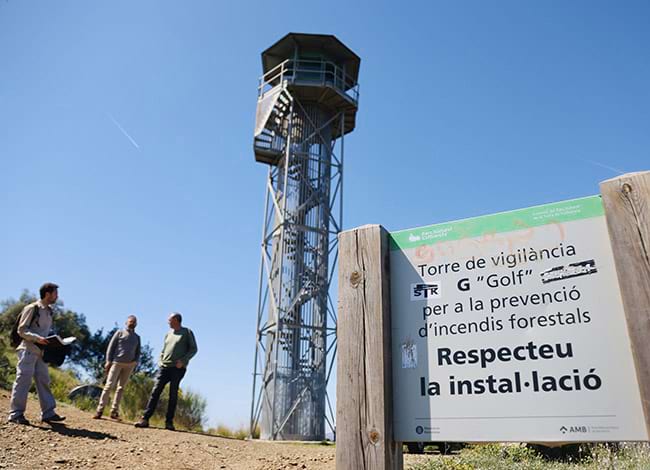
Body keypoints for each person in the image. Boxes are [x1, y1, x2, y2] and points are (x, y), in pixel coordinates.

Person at [7, 282, 66, 425]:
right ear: (47, 294)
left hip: (41, 352)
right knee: (23, 381)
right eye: (55, 294)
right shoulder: (32, 308)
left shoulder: (49, 311)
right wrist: (37, 338)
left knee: (43, 380)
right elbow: (21, 330)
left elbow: (45, 332)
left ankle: (48, 413)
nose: (57, 296)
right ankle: (16, 414)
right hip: (28, 350)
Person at [135, 312, 197, 430]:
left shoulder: (187, 332)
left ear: (176, 320)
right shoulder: (168, 334)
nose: (167, 322)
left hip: (177, 369)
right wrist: (160, 361)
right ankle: (145, 418)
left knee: (173, 394)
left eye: (169, 319)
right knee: (155, 391)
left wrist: (183, 361)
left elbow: (194, 349)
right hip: (164, 367)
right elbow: (163, 350)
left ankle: (169, 422)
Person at [93, 315, 141, 420]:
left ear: (136, 324)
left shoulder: (137, 337)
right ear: (126, 322)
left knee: (121, 388)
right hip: (116, 362)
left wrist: (135, 362)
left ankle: (114, 412)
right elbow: (111, 347)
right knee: (109, 385)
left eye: (134, 322)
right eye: (130, 321)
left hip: (129, 365)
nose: (132, 323)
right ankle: (100, 410)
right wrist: (108, 361)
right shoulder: (119, 333)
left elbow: (138, 351)